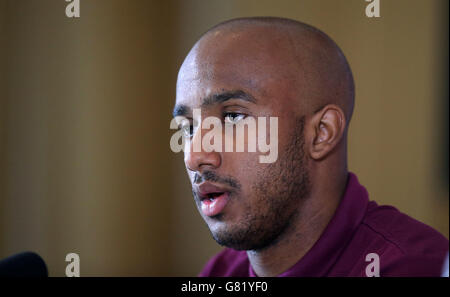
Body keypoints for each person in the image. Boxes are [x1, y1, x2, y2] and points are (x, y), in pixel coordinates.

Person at [172, 17, 449, 277]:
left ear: (321, 133)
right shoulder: (222, 271)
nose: (195, 156)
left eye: (232, 117)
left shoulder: (415, 266)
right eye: (188, 127)